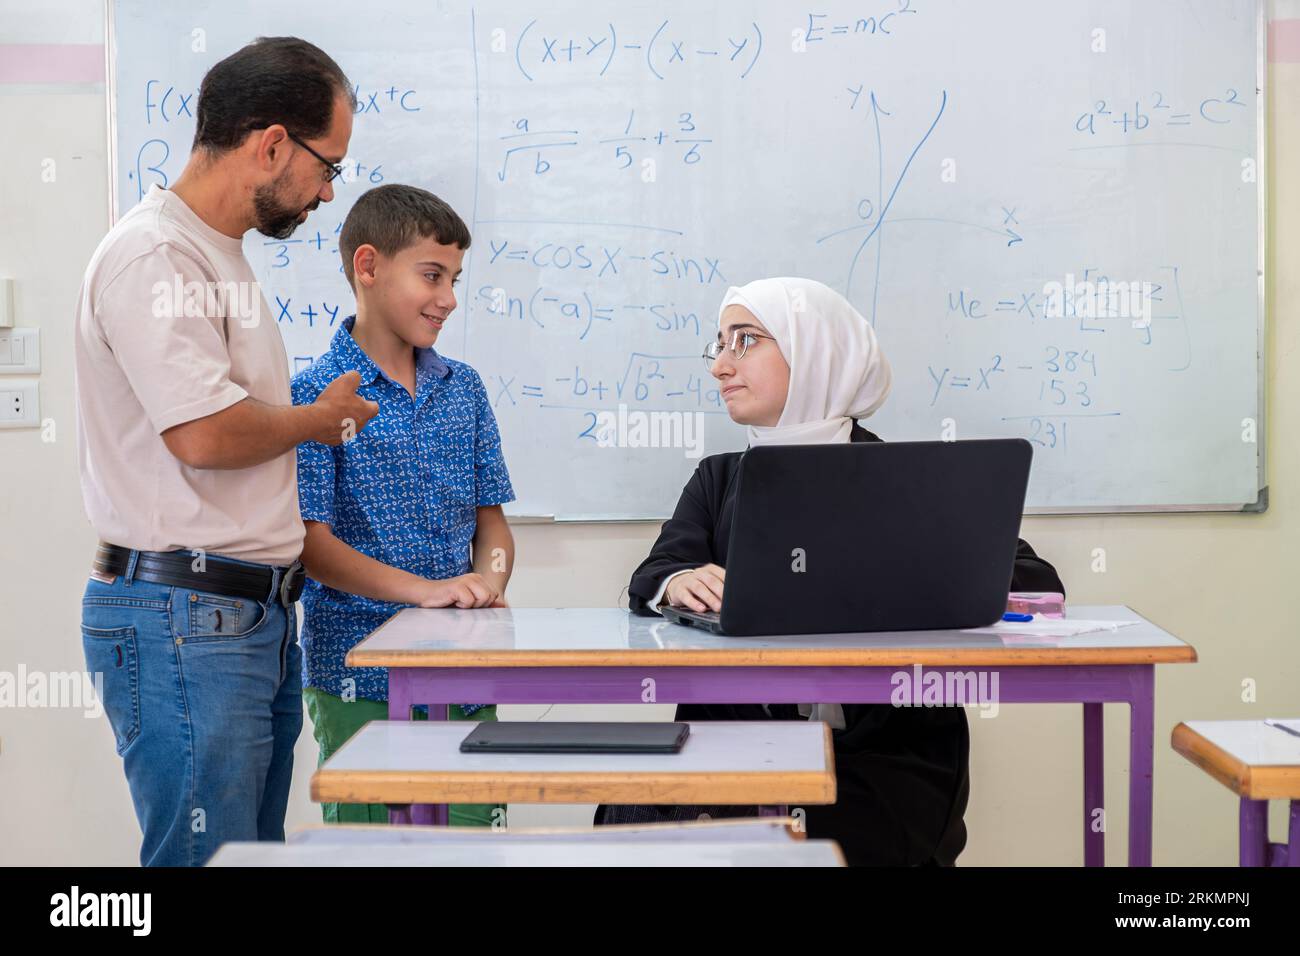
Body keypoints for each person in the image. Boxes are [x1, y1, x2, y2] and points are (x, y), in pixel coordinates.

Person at [596, 277, 1065, 866]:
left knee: (837, 840)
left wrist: (900, 574)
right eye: (718, 344)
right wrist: (676, 580)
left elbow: (1034, 579)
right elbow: (656, 570)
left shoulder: (904, 479)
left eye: (745, 341)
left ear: (816, 352)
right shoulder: (718, 478)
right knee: (627, 815)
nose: (719, 365)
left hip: (880, 762)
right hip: (734, 745)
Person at [75, 37, 378, 866]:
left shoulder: (217, 255)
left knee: (245, 857)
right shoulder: (155, 255)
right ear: (271, 142)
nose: (327, 191)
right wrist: (317, 419)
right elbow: (204, 434)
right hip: (185, 618)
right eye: (328, 166)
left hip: (243, 618)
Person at [292, 184, 516, 825]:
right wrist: (424, 592)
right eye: (431, 275)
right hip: (358, 675)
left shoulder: (464, 390)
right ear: (368, 267)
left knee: (473, 840)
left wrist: (488, 585)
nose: (448, 298)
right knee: (377, 848)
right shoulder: (316, 397)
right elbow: (313, 546)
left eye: (455, 278)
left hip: (464, 673)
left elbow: (492, 524)